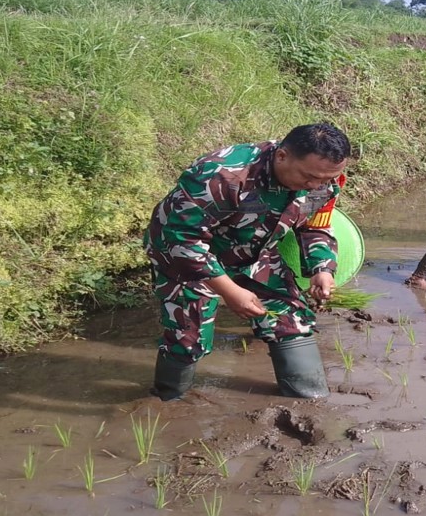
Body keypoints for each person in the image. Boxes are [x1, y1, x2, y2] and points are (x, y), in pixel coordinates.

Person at [144, 123, 351, 401]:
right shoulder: (221, 175)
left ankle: (308, 398)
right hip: (185, 257)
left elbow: (315, 226)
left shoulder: (325, 180)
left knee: (292, 322)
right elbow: (181, 239)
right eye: (309, 177)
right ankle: (166, 401)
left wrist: (322, 268)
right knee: (189, 339)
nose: (316, 186)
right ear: (282, 157)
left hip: (253, 251)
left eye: (325, 179)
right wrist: (230, 291)